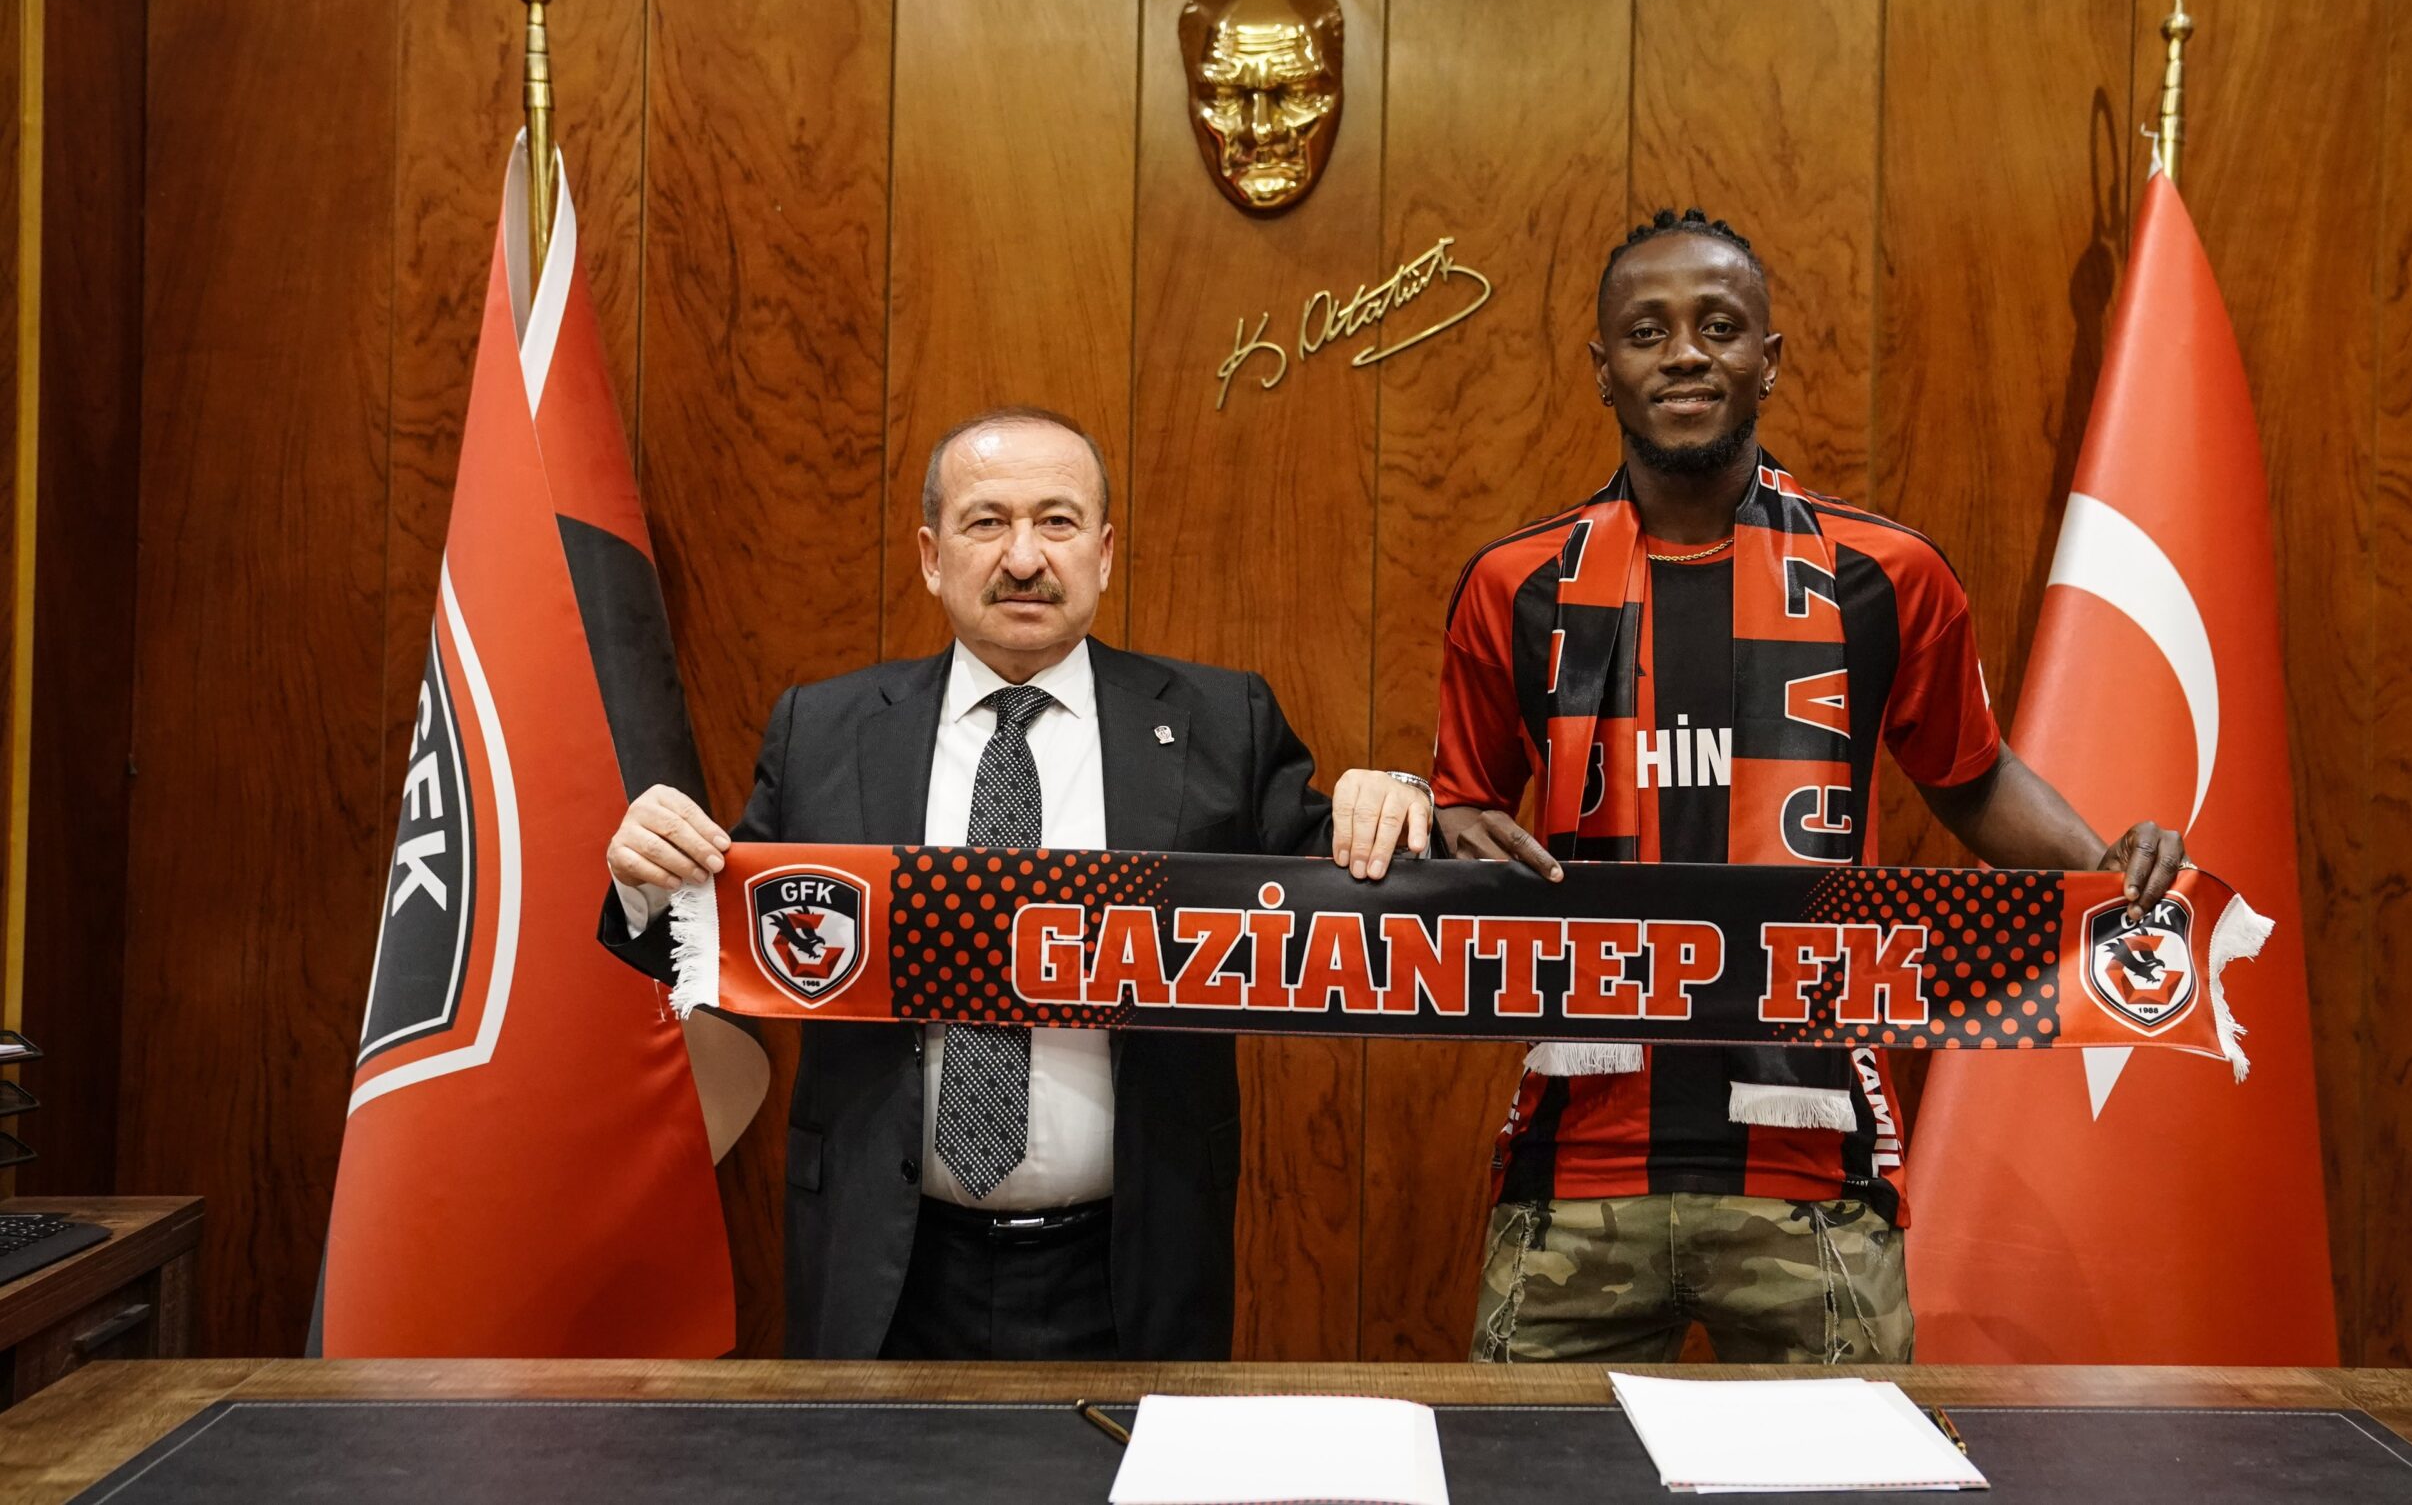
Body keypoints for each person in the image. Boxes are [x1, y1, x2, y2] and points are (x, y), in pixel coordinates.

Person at [1433, 209, 2188, 1366]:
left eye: (1718, 325)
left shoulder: (1886, 573)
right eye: (1646, 330)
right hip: (1577, 1158)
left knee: (1852, 1461)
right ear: (1602, 368)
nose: (1684, 354)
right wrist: (1413, 811)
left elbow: (1971, 778)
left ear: (1768, 358)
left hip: (1814, 1159)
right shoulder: (1512, 583)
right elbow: (1466, 809)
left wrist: (2102, 869)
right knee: (1523, 1461)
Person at [600, 405, 1431, 1362]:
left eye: (1058, 522)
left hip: (1129, 1264)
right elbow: (720, 939)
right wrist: (646, 875)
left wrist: (1397, 797)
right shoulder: (826, 730)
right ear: (931, 555)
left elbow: (1349, 883)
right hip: (887, 1263)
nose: (1024, 558)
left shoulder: (1219, 720)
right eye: (987, 522)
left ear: (1104, 553)